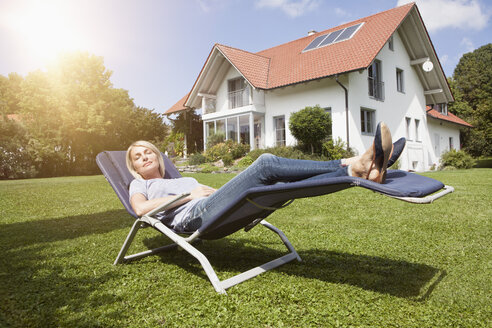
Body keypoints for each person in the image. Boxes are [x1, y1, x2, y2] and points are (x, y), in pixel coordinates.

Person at [126, 122, 405, 232]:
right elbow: (139, 209)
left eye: (148, 152)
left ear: (158, 156)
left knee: (280, 182)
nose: (144, 157)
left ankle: (361, 169)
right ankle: (355, 165)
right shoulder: (141, 183)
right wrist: (188, 195)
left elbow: (211, 192)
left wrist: (204, 191)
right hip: (193, 218)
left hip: (210, 206)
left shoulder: (178, 178)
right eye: (138, 157)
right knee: (265, 165)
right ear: (135, 168)